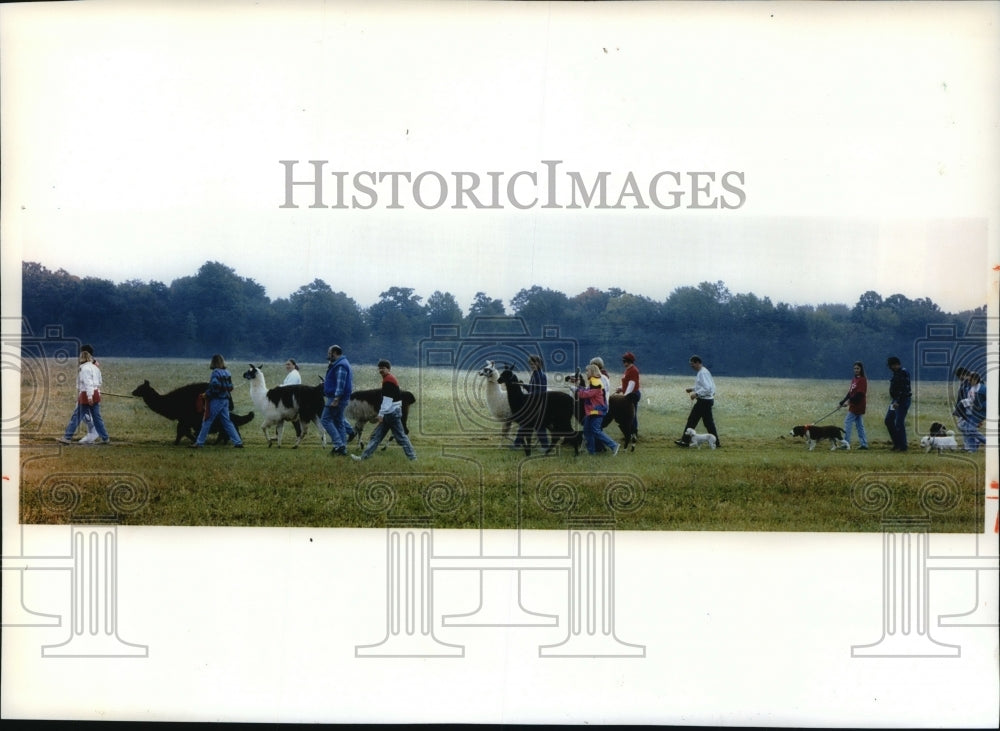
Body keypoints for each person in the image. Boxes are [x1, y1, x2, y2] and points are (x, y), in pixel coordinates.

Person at [351, 360, 417, 461]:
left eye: (383, 368)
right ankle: (363, 458)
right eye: (380, 368)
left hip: (391, 413)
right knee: (376, 437)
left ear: (388, 369)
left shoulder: (388, 381)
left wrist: (381, 414)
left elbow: (387, 400)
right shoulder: (389, 379)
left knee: (401, 438)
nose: (381, 370)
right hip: (390, 413)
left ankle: (413, 458)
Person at [57, 350, 110, 445]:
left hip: (86, 395)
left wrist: (89, 397)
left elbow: (88, 383)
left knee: (76, 417)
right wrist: (95, 393)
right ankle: (105, 438)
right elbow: (99, 382)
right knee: (97, 418)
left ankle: (67, 437)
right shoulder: (95, 368)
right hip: (96, 394)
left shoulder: (84, 369)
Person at [191, 354, 244, 448]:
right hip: (225, 400)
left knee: (207, 421)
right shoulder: (227, 372)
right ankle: (238, 442)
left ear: (213, 362)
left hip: (216, 400)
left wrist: (206, 394)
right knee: (227, 422)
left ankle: (199, 443)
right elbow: (230, 387)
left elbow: (215, 386)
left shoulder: (215, 372)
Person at [571, 363, 620, 456]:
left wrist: (576, 390)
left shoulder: (596, 383)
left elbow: (587, 394)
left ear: (592, 372)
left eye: (587, 371)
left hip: (597, 411)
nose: (586, 373)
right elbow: (587, 390)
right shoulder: (593, 382)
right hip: (591, 411)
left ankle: (614, 445)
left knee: (595, 430)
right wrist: (578, 387)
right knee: (587, 431)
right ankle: (591, 452)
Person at [675, 355, 721, 448]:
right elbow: (705, 386)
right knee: (708, 423)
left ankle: (685, 441)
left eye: (692, 364)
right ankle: (716, 442)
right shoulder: (703, 372)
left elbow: (707, 388)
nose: (691, 366)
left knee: (692, 420)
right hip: (707, 401)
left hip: (703, 401)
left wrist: (696, 394)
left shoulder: (702, 373)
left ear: (697, 363)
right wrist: (692, 389)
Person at [514, 354, 551, 455]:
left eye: (533, 363)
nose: (532, 365)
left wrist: (530, 395)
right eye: (530, 363)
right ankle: (516, 444)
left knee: (538, 425)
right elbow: (532, 388)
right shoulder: (534, 374)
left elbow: (542, 391)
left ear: (538, 363)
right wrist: (523, 385)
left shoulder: (541, 375)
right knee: (525, 424)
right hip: (533, 404)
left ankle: (545, 446)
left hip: (538, 404)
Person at [322, 344, 353, 456]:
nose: (328, 355)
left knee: (325, 420)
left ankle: (338, 445)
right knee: (339, 422)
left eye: (329, 353)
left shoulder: (341, 365)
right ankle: (342, 448)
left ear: (335, 353)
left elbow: (340, 384)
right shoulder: (340, 364)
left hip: (336, 398)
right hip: (339, 398)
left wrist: (336, 398)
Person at [838, 361, 869, 450]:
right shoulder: (854, 379)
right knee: (859, 425)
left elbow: (860, 394)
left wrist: (848, 402)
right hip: (853, 404)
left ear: (861, 369)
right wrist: (842, 402)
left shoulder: (862, 380)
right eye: (854, 368)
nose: (856, 370)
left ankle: (845, 443)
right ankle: (864, 444)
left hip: (858, 405)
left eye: (858, 368)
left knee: (847, 422)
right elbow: (850, 393)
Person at [884, 355, 911, 452]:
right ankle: (897, 443)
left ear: (895, 365)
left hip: (902, 401)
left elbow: (904, 388)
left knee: (899, 422)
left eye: (891, 366)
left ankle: (903, 446)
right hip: (895, 400)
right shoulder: (896, 373)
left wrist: (897, 401)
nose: (890, 368)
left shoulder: (903, 373)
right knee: (888, 420)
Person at [959, 371, 987, 452]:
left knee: (971, 430)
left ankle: (986, 442)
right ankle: (972, 449)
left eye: (970, 380)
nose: (968, 382)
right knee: (967, 430)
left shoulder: (983, 389)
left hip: (979, 413)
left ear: (975, 380)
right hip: (969, 412)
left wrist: (981, 405)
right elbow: (970, 399)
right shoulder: (969, 388)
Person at [617, 351, 641, 438]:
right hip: (629, 394)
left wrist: (624, 397)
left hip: (632, 395)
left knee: (631, 415)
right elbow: (626, 383)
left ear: (629, 361)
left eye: (624, 361)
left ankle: (633, 433)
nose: (623, 363)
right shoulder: (628, 370)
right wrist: (621, 388)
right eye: (623, 361)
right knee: (628, 414)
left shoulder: (633, 370)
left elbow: (631, 385)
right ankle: (629, 433)